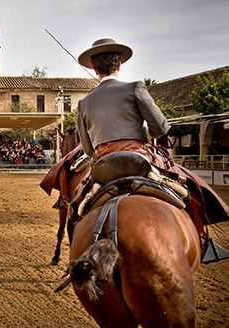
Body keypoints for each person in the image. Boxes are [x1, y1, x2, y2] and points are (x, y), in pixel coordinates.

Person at [72, 38, 229, 251]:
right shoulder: (135, 88)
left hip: (103, 168)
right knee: (190, 187)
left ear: (93, 68)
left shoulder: (83, 103)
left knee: (76, 207)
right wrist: (141, 132)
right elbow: (161, 128)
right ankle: (203, 242)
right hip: (140, 160)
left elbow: (88, 149)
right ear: (119, 65)